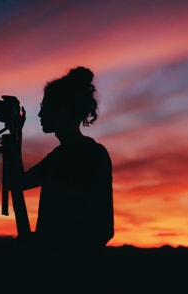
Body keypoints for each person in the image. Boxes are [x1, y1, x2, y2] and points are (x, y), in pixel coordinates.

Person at [11, 66, 114, 258]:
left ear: (63, 109)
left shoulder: (81, 155)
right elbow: (18, 183)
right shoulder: (70, 155)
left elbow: (101, 229)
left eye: (45, 107)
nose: (40, 115)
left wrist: (49, 249)